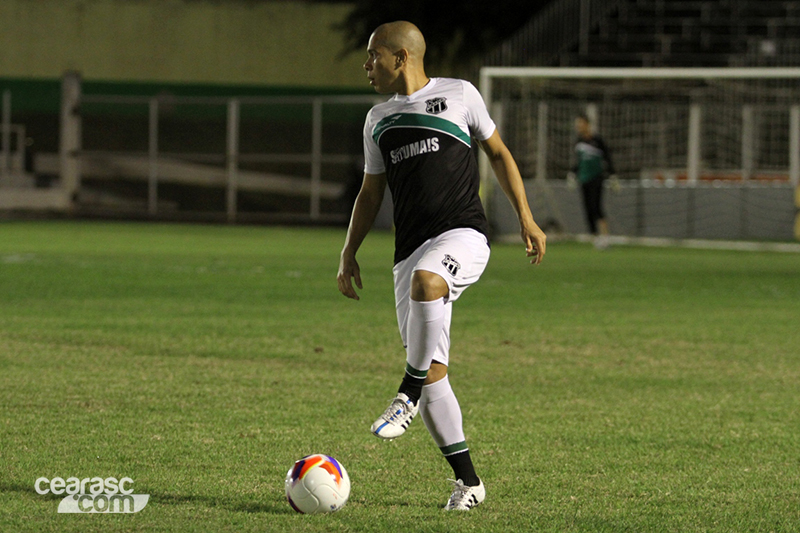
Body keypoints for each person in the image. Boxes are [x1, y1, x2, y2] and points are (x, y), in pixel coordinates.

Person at [336, 21, 546, 511]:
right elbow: (371, 192)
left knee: (430, 285)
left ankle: (404, 393)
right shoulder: (377, 121)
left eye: (373, 56)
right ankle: (469, 483)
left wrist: (526, 217)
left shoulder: (459, 94)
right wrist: (349, 251)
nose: (367, 66)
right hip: (407, 252)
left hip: (462, 234)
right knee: (435, 373)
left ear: (402, 57)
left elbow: (499, 153)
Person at [569, 113, 615, 249]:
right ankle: (596, 238)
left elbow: (608, 158)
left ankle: (605, 237)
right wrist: (573, 173)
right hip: (584, 179)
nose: (578, 127)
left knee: (597, 206)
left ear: (587, 124)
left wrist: (612, 175)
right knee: (588, 209)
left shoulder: (597, 140)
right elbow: (578, 161)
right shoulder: (578, 142)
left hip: (597, 178)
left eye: (580, 124)